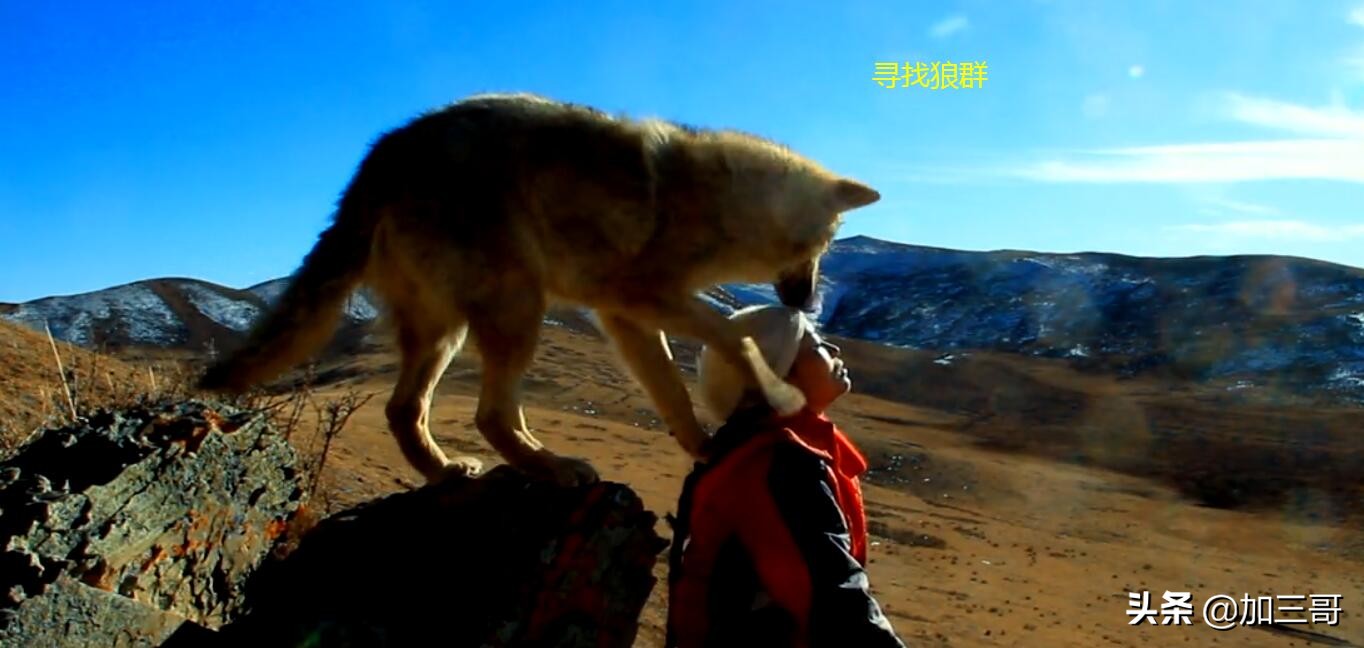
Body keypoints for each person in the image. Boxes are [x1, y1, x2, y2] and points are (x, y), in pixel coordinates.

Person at [665, 304, 906, 648]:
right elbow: (834, 606)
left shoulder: (761, 450)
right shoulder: (777, 469)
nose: (834, 349)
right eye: (815, 344)